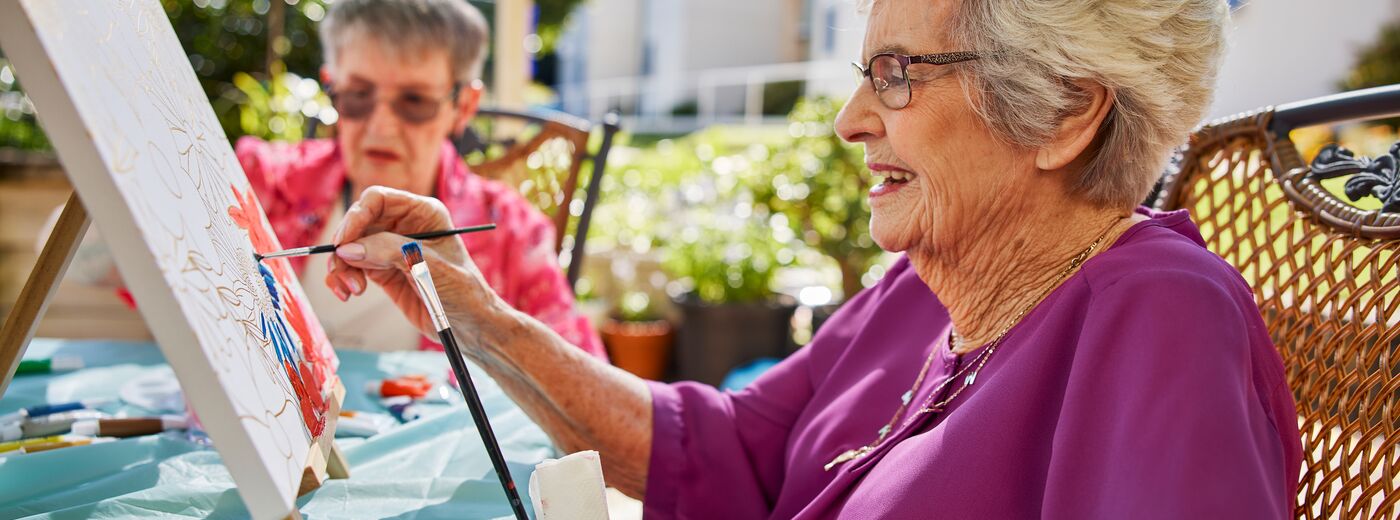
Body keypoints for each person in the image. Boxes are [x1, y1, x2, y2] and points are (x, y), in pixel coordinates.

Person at [327, 0, 1302, 517]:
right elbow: (719, 451)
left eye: (896, 75)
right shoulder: (921, 288)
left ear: (1063, 112)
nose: (849, 120)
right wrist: (480, 317)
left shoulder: (1162, 317)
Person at [233, 0, 605, 358]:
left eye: (415, 101)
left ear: (462, 107)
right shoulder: (262, 184)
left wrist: (489, 327)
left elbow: (583, 392)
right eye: (358, 95)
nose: (382, 126)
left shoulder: (508, 232)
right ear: (332, 86)